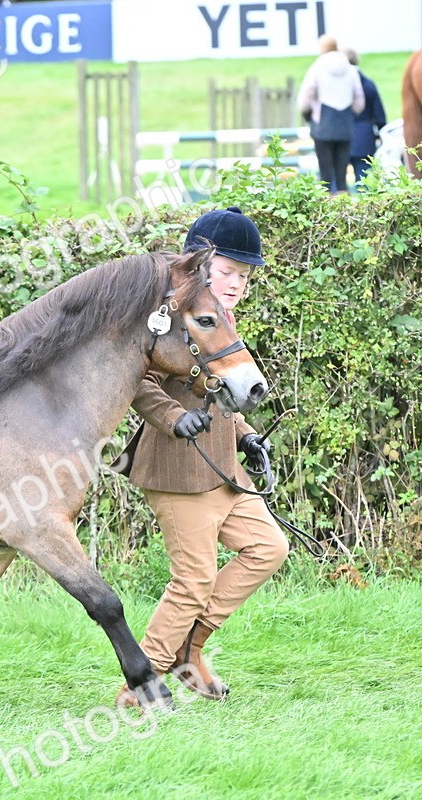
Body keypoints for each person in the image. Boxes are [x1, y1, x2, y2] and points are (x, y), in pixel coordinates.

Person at [115, 207, 289, 706]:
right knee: (193, 581)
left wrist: (247, 435)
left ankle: (191, 652)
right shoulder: (165, 318)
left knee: (267, 549)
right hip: (177, 469)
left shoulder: (221, 315)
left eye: (246, 275)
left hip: (222, 467)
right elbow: (139, 381)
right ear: (199, 265)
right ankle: (139, 686)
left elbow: (222, 390)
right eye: (230, 271)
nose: (239, 283)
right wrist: (172, 417)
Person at [298, 35, 365, 194]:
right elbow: (359, 99)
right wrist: (351, 113)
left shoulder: (317, 67)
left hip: (322, 125)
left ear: (322, 48)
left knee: (325, 172)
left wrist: (308, 113)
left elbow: (306, 96)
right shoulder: (349, 68)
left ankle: (327, 206)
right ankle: (343, 205)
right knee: (341, 173)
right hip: (345, 125)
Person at [343, 48, 388, 188]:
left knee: (336, 184)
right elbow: (380, 116)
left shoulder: (337, 85)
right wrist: (382, 134)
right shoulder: (368, 84)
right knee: (364, 183)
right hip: (364, 136)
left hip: (340, 135)